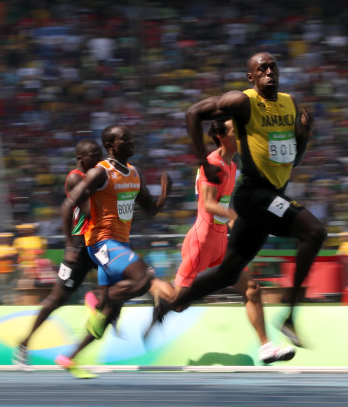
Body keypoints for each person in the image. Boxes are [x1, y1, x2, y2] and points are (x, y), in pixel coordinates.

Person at [151, 52, 326, 348]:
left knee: (227, 273)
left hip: (272, 196)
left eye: (273, 66)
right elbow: (193, 113)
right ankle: (290, 317)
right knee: (315, 231)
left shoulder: (289, 104)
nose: (269, 71)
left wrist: (304, 135)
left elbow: (292, 162)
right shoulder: (242, 101)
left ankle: (172, 304)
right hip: (254, 194)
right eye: (262, 68)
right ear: (251, 77)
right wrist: (202, 162)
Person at [171, 119, 295, 363]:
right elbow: (208, 203)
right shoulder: (212, 164)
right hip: (201, 243)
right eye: (234, 131)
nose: (241, 135)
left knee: (252, 289)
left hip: (220, 243)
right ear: (221, 137)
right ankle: (150, 286)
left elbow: (224, 203)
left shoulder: (232, 165)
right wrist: (234, 216)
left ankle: (266, 347)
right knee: (178, 305)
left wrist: (233, 222)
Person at [55, 124, 173, 378]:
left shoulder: (133, 173)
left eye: (131, 138)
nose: (131, 142)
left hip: (120, 245)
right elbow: (68, 206)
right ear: (110, 146)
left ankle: (69, 357)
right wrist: (69, 245)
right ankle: (98, 301)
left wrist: (164, 194)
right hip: (101, 242)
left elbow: (150, 209)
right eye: (125, 139)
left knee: (110, 314)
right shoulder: (100, 173)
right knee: (143, 279)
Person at [13, 138, 102, 367]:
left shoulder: (100, 176)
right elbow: (87, 211)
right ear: (81, 158)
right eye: (94, 154)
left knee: (120, 282)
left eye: (100, 152)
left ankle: (94, 304)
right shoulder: (75, 178)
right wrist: (70, 246)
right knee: (55, 300)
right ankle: (24, 343)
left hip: (100, 243)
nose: (99, 157)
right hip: (80, 246)